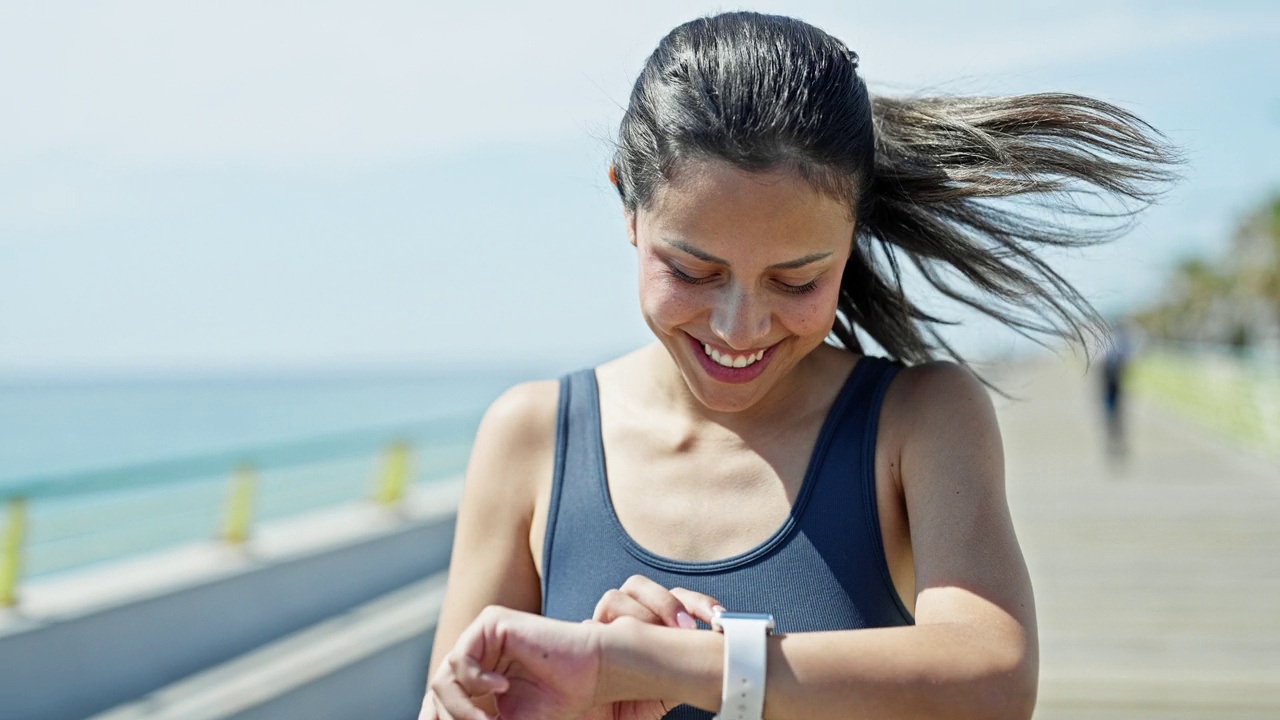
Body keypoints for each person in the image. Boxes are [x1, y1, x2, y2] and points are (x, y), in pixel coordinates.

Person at [419, 12, 1178, 720]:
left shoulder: (918, 421)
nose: (739, 327)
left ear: (852, 233)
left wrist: (670, 664)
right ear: (628, 205)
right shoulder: (533, 436)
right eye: (692, 270)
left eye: (797, 280)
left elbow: (994, 674)